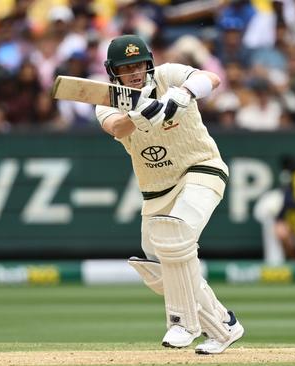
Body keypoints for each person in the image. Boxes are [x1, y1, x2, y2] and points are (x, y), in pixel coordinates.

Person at [94, 34, 243, 354]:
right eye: (125, 68)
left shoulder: (168, 75)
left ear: (149, 63)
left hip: (201, 169)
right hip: (155, 190)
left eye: (139, 65)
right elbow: (117, 128)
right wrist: (141, 110)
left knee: (176, 233)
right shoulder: (106, 99)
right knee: (158, 266)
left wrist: (184, 93)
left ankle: (182, 323)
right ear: (114, 72)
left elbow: (212, 78)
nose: (134, 73)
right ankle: (222, 325)